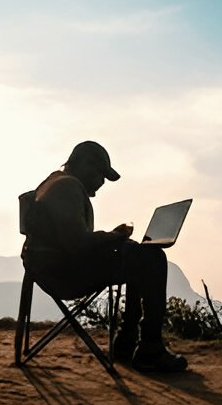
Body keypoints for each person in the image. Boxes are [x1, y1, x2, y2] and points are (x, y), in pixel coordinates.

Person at [22, 141, 187, 372]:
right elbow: (77, 244)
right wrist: (112, 236)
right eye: (100, 175)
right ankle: (149, 348)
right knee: (153, 259)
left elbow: (69, 240)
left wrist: (116, 240)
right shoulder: (68, 187)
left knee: (137, 257)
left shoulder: (55, 182)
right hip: (63, 274)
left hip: (49, 267)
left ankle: (126, 342)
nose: (101, 183)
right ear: (85, 165)